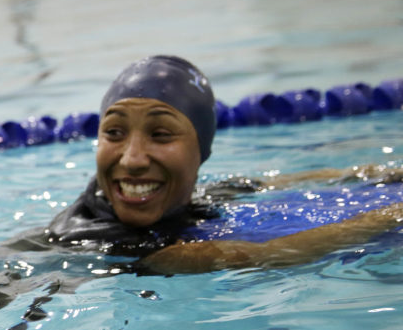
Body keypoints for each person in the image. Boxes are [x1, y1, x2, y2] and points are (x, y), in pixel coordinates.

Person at [28, 54, 403, 273]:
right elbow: (268, 255)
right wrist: (390, 215)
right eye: (113, 133)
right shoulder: (103, 240)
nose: (132, 159)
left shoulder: (177, 198)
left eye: (160, 134)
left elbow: (255, 185)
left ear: (201, 152)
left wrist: (368, 174)